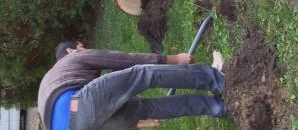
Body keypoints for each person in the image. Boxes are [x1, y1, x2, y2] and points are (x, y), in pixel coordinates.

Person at [38, 40, 227, 130]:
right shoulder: (72, 60)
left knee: (146, 108)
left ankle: (217, 107)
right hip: (77, 106)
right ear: (72, 50)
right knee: (142, 74)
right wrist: (173, 59)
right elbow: (122, 60)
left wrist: (128, 123)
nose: (85, 49)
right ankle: (217, 79)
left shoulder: (59, 78)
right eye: (82, 46)